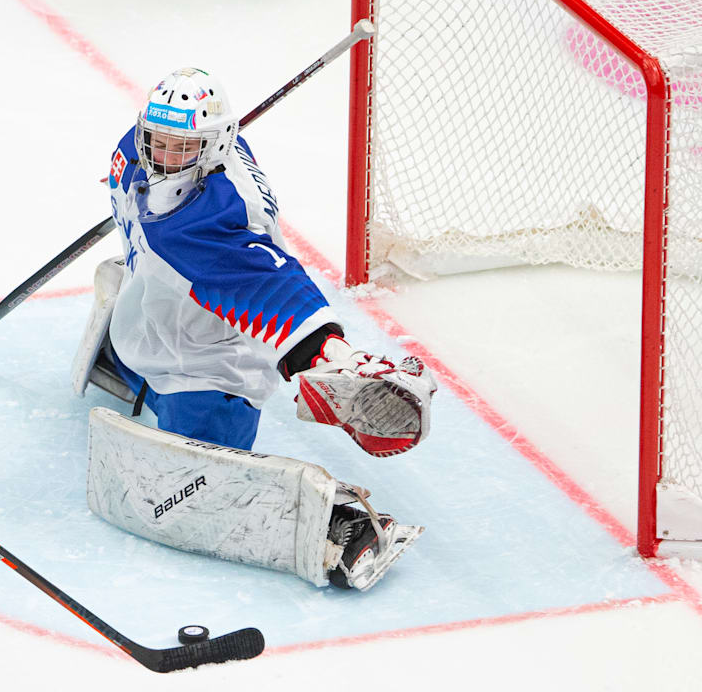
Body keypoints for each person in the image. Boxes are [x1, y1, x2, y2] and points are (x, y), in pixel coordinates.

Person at [73, 68, 436, 590]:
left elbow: (269, 285)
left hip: (210, 365)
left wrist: (330, 356)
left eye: (182, 148)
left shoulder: (211, 222)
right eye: (160, 141)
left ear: (216, 145)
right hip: (152, 320)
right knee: (139, 335)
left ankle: (342, 521)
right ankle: (133, 362)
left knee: (197, 490)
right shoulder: (140, 148)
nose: (164, 157)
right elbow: (148, 172)